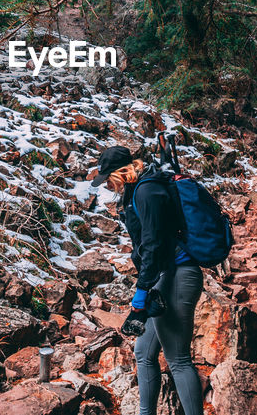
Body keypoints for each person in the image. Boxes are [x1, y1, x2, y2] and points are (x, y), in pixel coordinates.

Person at [91, 145, 204, 415]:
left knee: (178, 359)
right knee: (143, 352)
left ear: (120, 173)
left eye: (107, 178)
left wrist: (141, 295)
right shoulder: (140, 188)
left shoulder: (147, 190)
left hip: (176, 275)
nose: (106, 185)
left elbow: (153, 246)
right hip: (165, 276)